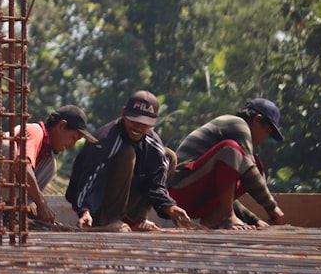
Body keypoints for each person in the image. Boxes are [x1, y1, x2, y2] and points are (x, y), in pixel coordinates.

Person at [65, 90, 192, 231]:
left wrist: (170, 207)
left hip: (126, 204)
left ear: (153, 123)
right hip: (96, 205)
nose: (138, 127)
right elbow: (88, 179)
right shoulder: (105, 140)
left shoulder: (153, 145)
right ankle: (109, 220)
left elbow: (155, 184)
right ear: (124, 113)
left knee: (169, 156)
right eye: (134, 120)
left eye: (144, 123)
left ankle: (137, 219)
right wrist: (85, 210)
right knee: (127, 153)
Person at [167, 99, 286, 230]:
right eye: (267, 132)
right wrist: (272, 207)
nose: (264, 138)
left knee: (251, 164)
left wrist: (254, 220)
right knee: (232, 151)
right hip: (179, 191)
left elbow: (226, 191)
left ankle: (214, 216)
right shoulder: (238, 124)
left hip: (197, 199)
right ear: (257, 120)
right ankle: (227, 216)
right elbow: (251, 173)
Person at [10, 105, 99, 223]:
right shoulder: (35, 131)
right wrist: (41, 204)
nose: (72, 145)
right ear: (61, 126)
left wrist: (34, 209)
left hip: (2, 198)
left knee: (50, 166)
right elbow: (21, 165)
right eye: (73, 138)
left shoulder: (47, 163)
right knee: (10, 150)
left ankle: (9, 214)